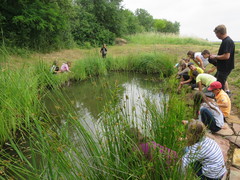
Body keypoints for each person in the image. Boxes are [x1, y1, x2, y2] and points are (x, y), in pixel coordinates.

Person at [209, 24, 235, 91]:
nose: (216, 35)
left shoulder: (227, 41)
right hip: (223, 67)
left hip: (225, 67)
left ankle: (222, 99)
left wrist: (215, 57)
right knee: (218, 82)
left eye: (216, 33)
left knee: (220, 85)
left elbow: (226, 56)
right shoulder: (225, 41)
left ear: (219, 33)